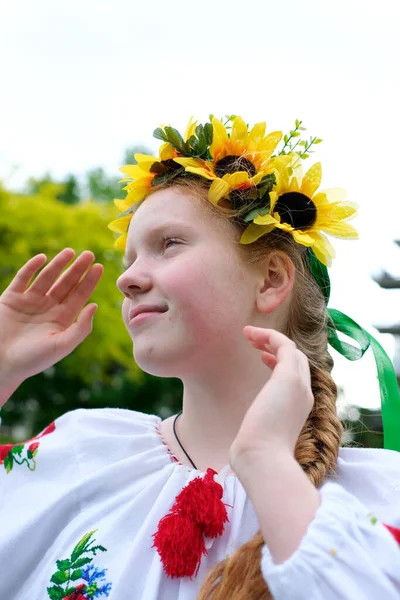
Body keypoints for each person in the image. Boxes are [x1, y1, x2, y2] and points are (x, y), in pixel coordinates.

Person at [1, 115, 400, 600]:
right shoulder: (82, 449)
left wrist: (265, 463)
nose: (127, 279)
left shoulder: (384, 497)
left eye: (168, 244)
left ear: (272, 279)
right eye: (130, 260)